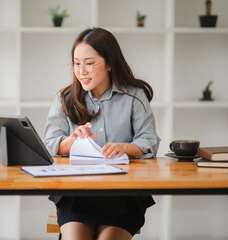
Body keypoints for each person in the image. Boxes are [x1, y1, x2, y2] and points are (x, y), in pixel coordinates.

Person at [44, 27, 160, 240]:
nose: (81, 71)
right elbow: (50, 144)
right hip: (76, 193)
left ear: (109, 63)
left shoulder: (134, 96)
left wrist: (124, 147)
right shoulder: (64, 98)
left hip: (123, 194)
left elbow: (149, 141)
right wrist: (73, 140)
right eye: (76, 63)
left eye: (89, 63)